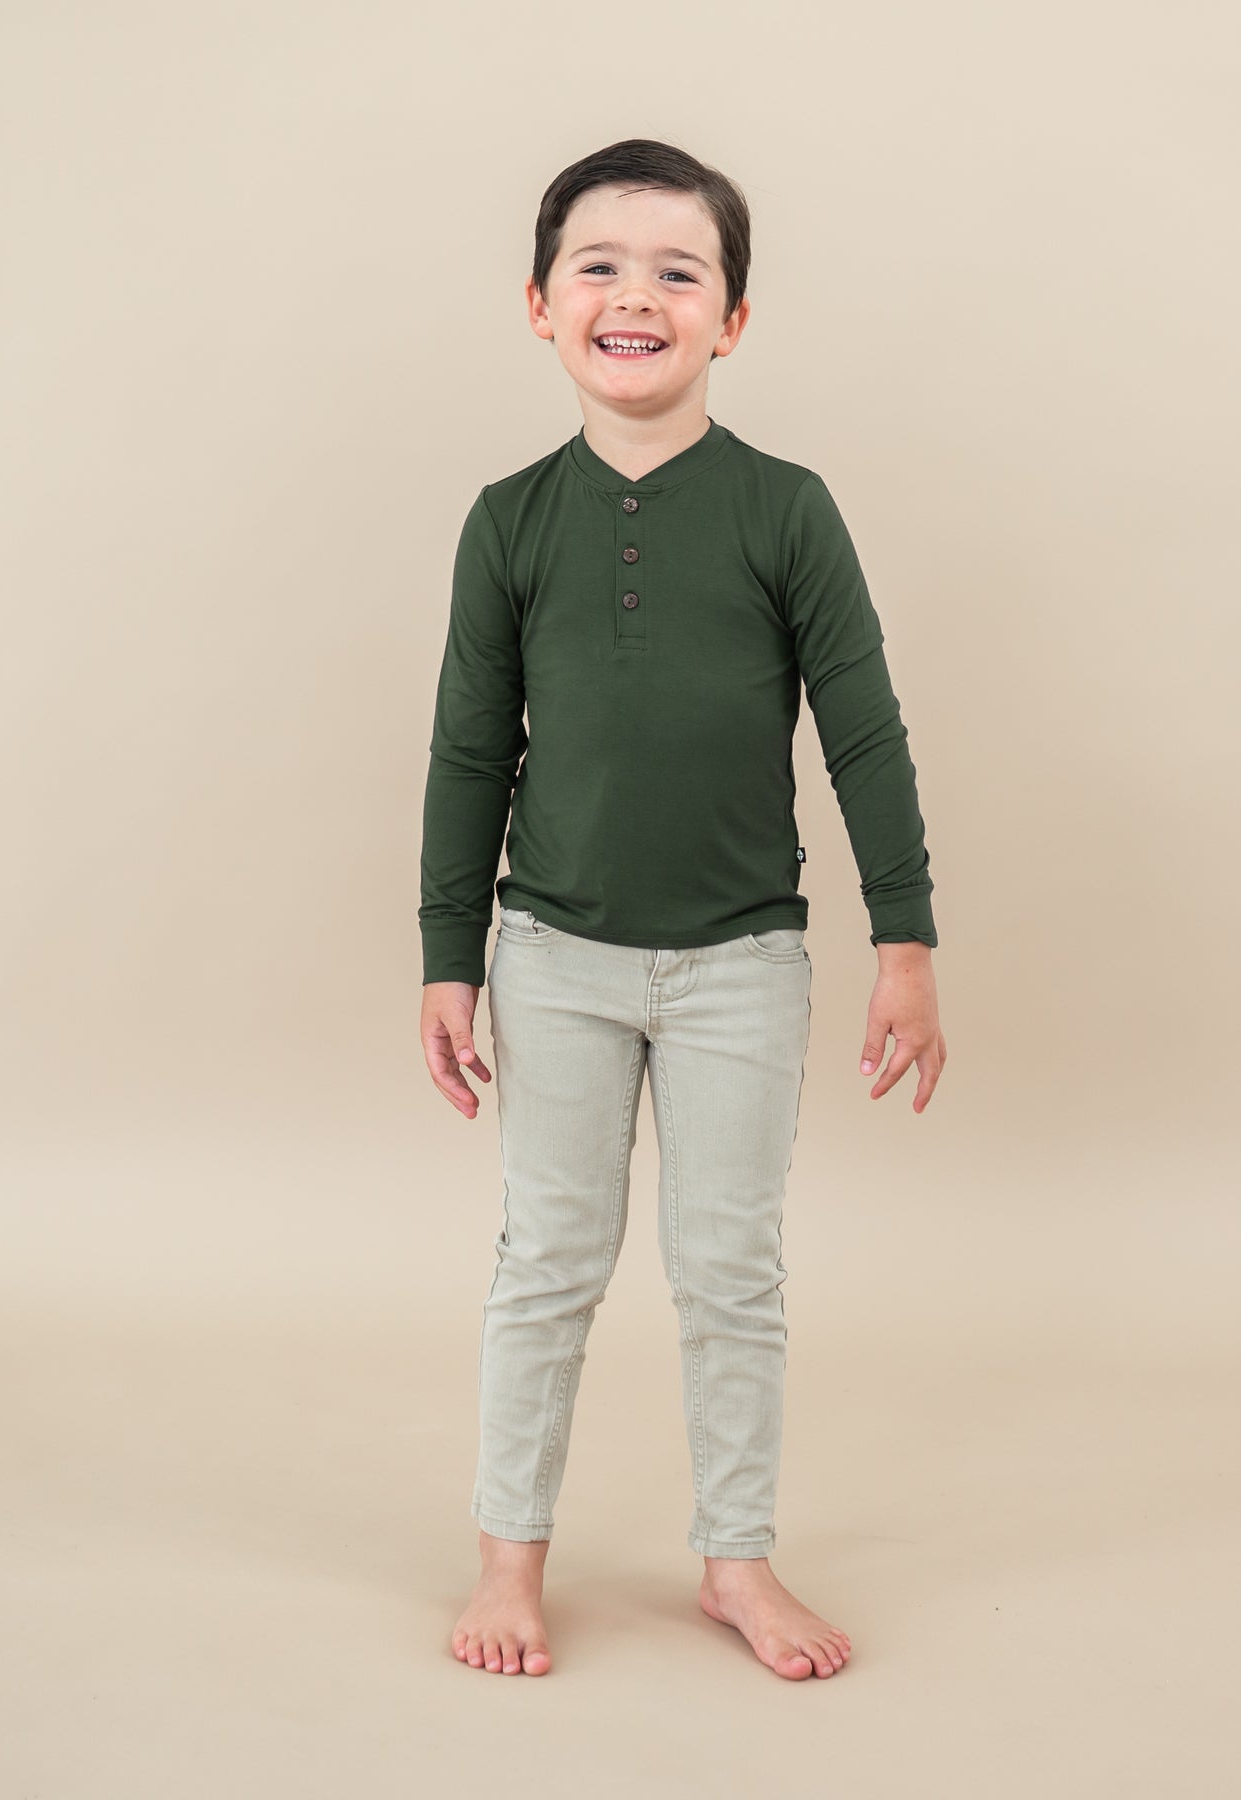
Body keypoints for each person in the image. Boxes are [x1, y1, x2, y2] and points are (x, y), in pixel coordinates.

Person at [418, 138, 946, 1681]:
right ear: (538, 305)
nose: (634, 294)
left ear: (733, 318)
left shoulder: (786, 509)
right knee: (549, 1261)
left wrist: (903, 941)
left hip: (743, 968)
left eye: (677, 271)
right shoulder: (508, 522)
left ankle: (737, 1561)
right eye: (599, 265)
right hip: (553, 957)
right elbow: (469, 750)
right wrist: (453, 959)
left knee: (730, 1270)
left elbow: (865, 730)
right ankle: (509, 1563)